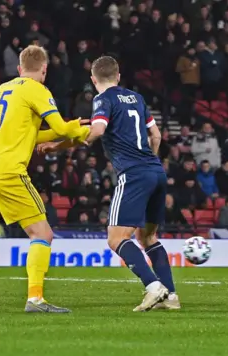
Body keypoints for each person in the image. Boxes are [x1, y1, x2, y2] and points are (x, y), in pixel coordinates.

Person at [0, 45, 90, 313]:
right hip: (8, 172)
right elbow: (58, 128)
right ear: (44, 70)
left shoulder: (1, 90)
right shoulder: (37, 89)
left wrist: (67, 131)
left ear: (20, 68)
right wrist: (78, 131)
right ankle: (35, 299)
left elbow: (28, 135)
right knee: (42, 233)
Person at [39, 56, 178, 311]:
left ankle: (153, 287)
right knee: (148, 237)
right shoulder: (136, 98)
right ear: (118, 76)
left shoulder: (103, 99)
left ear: (93, 80)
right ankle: (171, 297)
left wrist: (58, 147)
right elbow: (155, 135)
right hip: (155, 171)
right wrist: (151, 163)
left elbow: (98, 130)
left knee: (115, 239)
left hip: (134, 174)